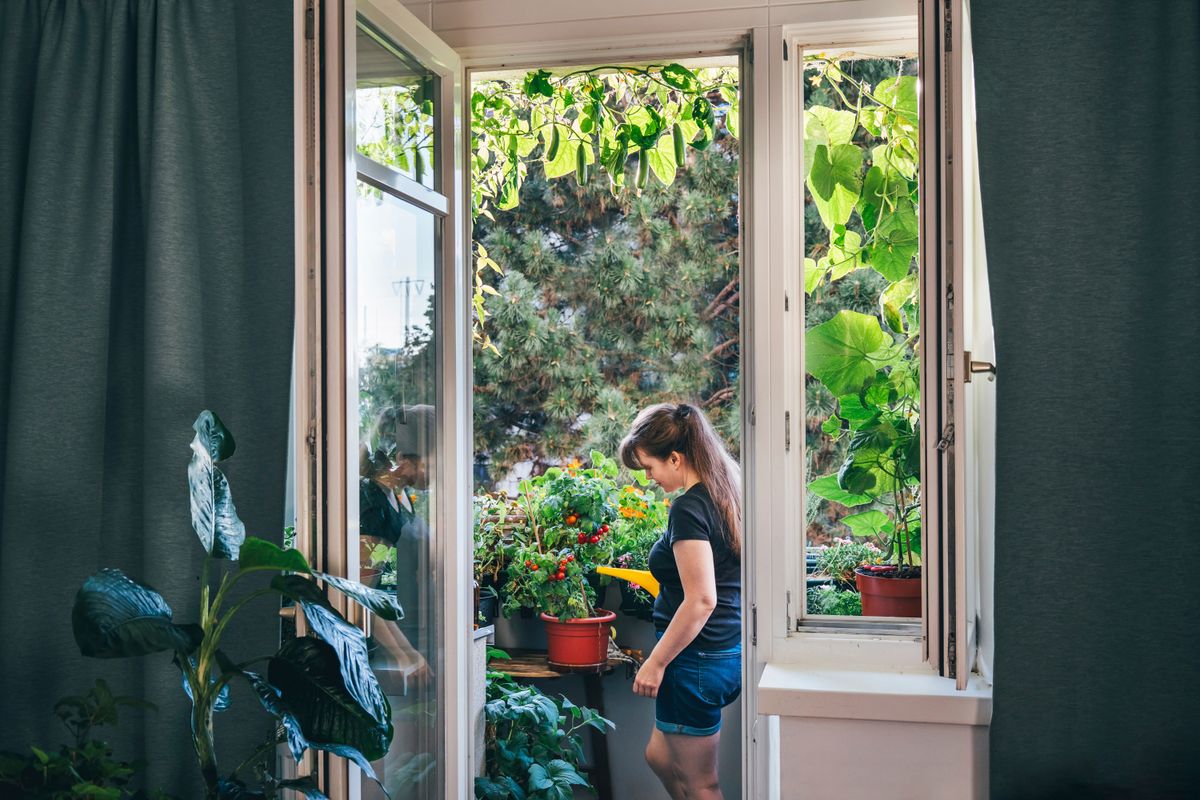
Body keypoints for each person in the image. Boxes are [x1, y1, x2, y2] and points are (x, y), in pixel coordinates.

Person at [618, 402, 742, 800]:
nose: (648, 478)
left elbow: (702, 599)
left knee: (701, 785)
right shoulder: (726, 489)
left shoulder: (689, 507)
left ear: (675, 458)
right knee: (658, 755)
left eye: (650, 468)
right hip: (722, 651)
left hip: (695, 661)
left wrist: (655, 663)